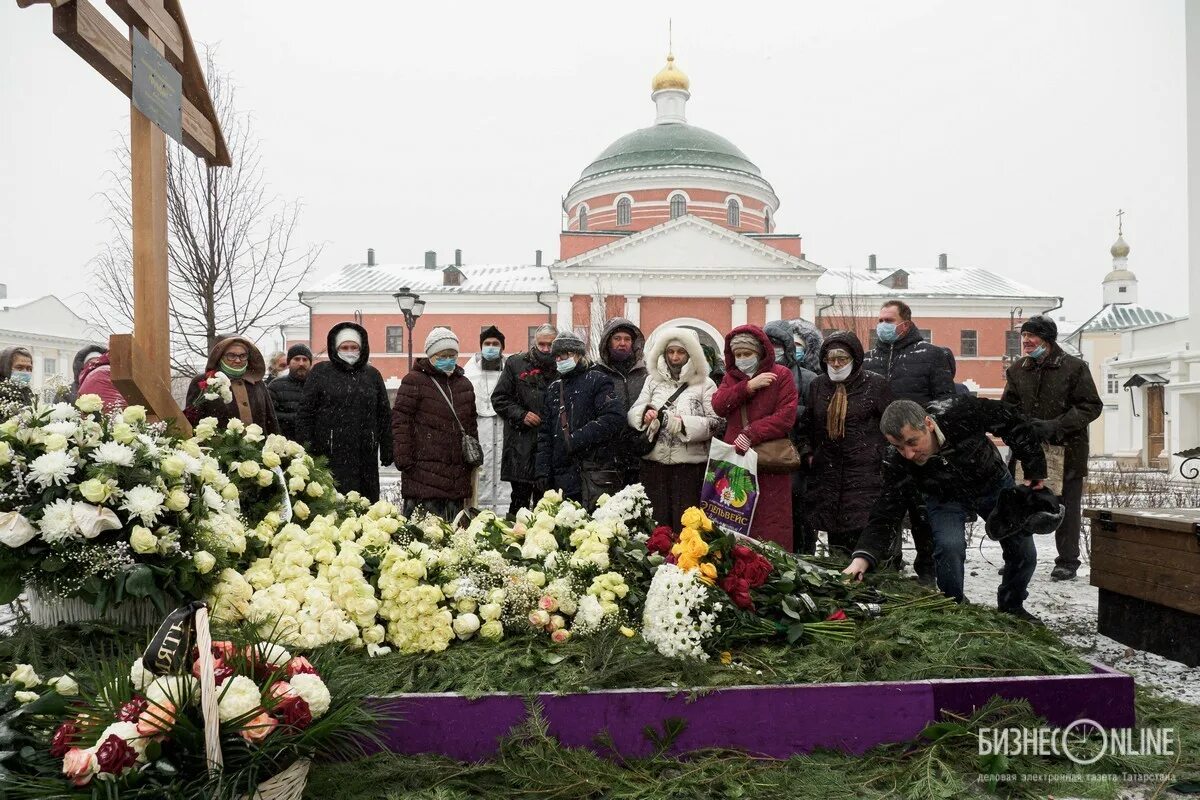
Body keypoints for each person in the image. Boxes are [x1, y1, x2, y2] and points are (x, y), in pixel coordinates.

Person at [844, 397, 1047, 623]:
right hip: (944, 498)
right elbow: (885, 512)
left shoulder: (961, 412)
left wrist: (1033, 467)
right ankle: (954, 610)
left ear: (928, 424)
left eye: (913, 442)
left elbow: (1013, 421)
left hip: (993, 483)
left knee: (1023, 551)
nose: (909, 454)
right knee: (949, 548)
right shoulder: (898, 463)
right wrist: (862, 557)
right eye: (899, 447)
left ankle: (1012, 605)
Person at [1001, 315, 1102, 581]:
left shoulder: (1074, 368)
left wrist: (1055, 426)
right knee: (1020, 503)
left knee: (1065, 507)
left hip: (1067, 451)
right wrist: (1018, 427)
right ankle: (1017, 555)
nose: (1025, 341)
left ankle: (1067, 561)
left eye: (1031, 336)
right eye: (1023, 336)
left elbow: (1091, 406)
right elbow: (1008, 408)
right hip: (1028, 450)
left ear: (1047, 339)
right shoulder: (1017, 370)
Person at [862, 300, 956, 585]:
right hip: (881, 451)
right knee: (885, 511)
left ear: (906, 322)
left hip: (918, 449)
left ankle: (928, 572)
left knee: (922, 515)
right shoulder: (869, 360)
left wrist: (921, 428)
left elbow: (946, 400)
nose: (883, 326)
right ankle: (889, 567)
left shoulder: (931, 355)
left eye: (889, 320)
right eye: (880, 321)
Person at [802, 331, 894, 560]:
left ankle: (870, 576)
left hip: (865, 474)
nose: (835, 364)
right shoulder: (818, 386)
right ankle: (843, 576)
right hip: (828, 474)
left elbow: (892, 426)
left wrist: (880, 456)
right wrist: (809, 453)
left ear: (854, 358)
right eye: (830, 359)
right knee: (837, 536)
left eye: (841, 358)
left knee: (864, 529)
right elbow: (807, 425)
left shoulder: (875, 385)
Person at [711, 325, 799, 550]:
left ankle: (772, 571)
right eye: (738, 355)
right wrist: (747, 387)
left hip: (769, 461)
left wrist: (751, 433)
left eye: (747, 354)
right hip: (737, 460)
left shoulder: (781, 375)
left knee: (771, 523)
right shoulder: (731, 379)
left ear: (759, 353)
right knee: (734, 519)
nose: (742, 359)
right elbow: (719, 406)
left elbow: (786, 416)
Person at [627, 327, 721, 527]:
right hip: (654, 465)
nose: (675, 356)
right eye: (671, 351)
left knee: (686, 526)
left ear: (691, 354)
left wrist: (682, 424)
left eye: (680, 352)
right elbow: (634, 410)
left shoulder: (706, 383)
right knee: (657, 526)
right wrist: (645, 413)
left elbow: (717, 423)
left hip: (689, 468)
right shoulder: (652, 380)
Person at [297, 324, 392, 501]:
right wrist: (307, 446)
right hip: (329, 453)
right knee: (332, 504)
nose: (349, 351)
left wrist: (387, 447)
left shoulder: (372, 375)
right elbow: (305, 413)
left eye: (354, 347)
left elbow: (384, 414)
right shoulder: (321, 373)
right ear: (336, 348)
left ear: (361, 349)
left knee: (365, 505)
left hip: (365, 454)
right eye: (344, 347)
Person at [391, 326, 478, 518]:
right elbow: (401, 420)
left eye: (452, 355)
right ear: (430, 355)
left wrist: (472, 459)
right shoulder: (414, 381)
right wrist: (404, 458)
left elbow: (470, 425)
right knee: (423, 535)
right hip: (423, 472)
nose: (448, 360)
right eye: (442, 355)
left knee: (453, 532)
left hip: (456, 471)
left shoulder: (465, 385)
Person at [535, 330, 625, 508]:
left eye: (564, 355)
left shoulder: (597, 380)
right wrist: (542, 471)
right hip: (560, 476)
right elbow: (544, 434)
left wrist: (578, 439)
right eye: (557, 357)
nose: (560, 361)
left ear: (577, 355)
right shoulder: (554, 388)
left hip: (591, 471)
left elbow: (614, 418)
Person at [765, 321, 819, 554]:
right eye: (770, 344)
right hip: (763, 457)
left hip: (796, 458)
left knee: (800, 517)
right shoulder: (756, 376)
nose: (775, 349)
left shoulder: (807, 378)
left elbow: (815, 419)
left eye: (779, 344)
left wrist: (784, 414)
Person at [492, 323, 557, 517]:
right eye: (541, 344)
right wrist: (521, 415)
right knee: (519, 506)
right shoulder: (516, 364)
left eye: (550, 345)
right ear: (534, 343)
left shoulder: (562, 365)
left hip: (550, 448)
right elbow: (499, 398)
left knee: (547, 507)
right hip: (521, 446)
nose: (545, 349)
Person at [591, 317, 648, 488]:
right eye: (617, 338)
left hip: (640, 454)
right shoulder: (595, 373)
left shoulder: (646, 374)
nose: (622, 343)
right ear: (607, 342)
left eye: (627, 339)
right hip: (606, 456)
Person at [184, 337, 278, 434]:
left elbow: (270, 419)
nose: (237, 360)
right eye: (231, 356)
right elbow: (192, 420)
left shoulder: (257, 382)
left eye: (242, 356)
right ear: (220, 357)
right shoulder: (205, 381)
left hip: (259, 447)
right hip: (219, 447)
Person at [464, 325, 510, 514]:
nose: (491, 347)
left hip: (503, 433)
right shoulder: (469, 373)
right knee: (479, 476)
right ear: (481, 346)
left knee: (502, 476)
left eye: (495, 343)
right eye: (487, 343)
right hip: (480, 433)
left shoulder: (510, 371)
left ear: (502, 347)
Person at [267, 344, 313, 441]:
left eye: (305, 359)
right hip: (285, 445)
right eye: (296, 359)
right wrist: (298, 418)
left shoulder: (318, 385)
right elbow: (270, 416)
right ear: (289, 363)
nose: (301, 363)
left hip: (313, 445)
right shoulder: (275, 386)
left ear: (310, 363)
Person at [0, 346, 34, 411]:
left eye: (29, 368)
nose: (25, 372)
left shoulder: (28, 394)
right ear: (4, 368)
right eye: (19, 367)